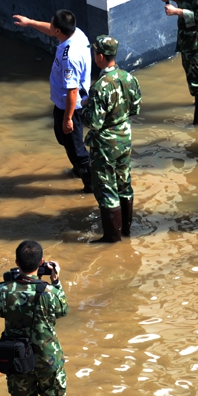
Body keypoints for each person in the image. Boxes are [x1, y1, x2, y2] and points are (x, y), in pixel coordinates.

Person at [0, 240, 69, 396]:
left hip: (18, 358)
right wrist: (56, 280)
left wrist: (12, 281)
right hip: (48, 359)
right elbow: (63, 310)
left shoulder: (4, 291)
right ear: (42, 263)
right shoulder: (49, 291)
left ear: (17, 262)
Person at [12, 9, 93, 192]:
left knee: (77, 148)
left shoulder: (70, 56)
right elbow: (50, 29)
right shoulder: (76, 33)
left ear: (59, 31)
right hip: (63, 104)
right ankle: (78, 170)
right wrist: (30, 22)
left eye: (53, 25)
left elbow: (72, 91)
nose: (50, 27)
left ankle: (90, 184)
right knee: (65, 140)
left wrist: (68, 118)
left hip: (70, 106)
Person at [80, 36, 143, 243]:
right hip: (125, 137)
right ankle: (126, 230)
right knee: (124, 184)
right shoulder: (129, 77)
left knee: (106, 188)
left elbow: (94, 122)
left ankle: (112, 238)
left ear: (99, 56)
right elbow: (135, 108)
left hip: (105, 144)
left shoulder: (99, 86)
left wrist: (85, 107)